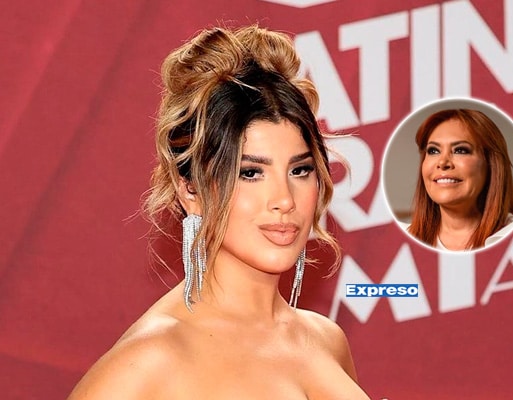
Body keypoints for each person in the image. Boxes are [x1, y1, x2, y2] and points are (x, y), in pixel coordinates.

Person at [68, 25, 370, 399]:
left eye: (300, 170)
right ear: (190, 190)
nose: (284, 199)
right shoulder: (148, 363)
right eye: (250, 173)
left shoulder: (326, 340)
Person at [405, 108, 513, 251]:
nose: (442, 163)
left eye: (460, 150)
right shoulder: (399, 241)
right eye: (433, 151)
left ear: (491, 165)